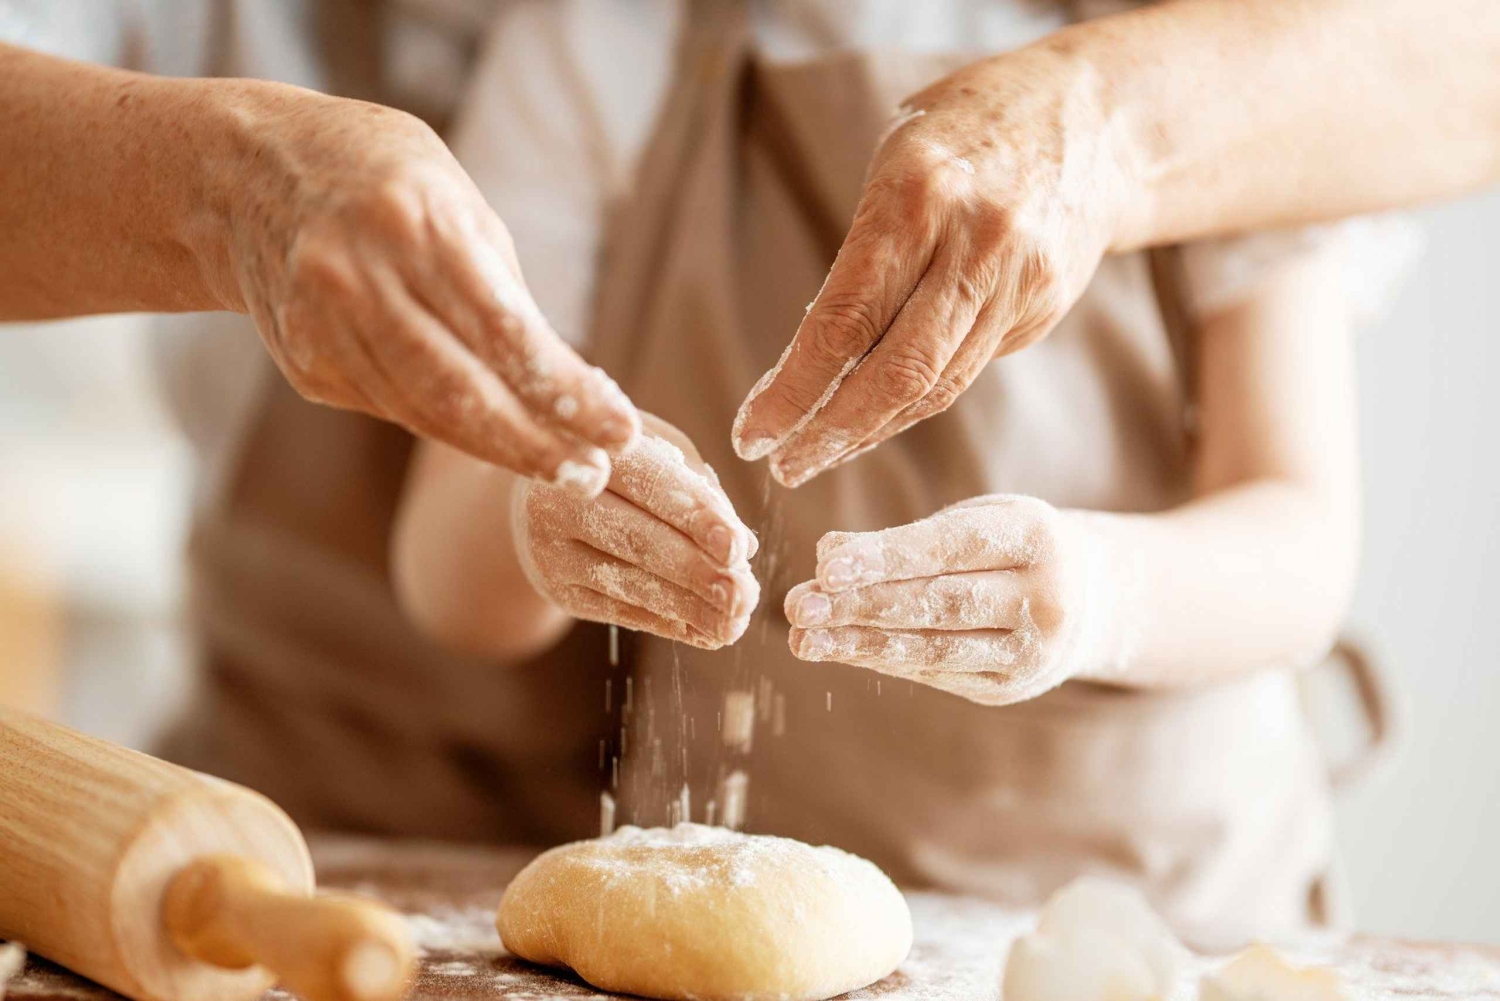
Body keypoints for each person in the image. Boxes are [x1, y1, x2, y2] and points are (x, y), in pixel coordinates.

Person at [0, 0, 1486, 949]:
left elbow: (1299, 537)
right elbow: (444, 571)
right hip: (729, 915)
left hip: (1159, 913)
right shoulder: (600, 43)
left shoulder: (1219, 50)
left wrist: (1095, 594)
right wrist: (541, 512)